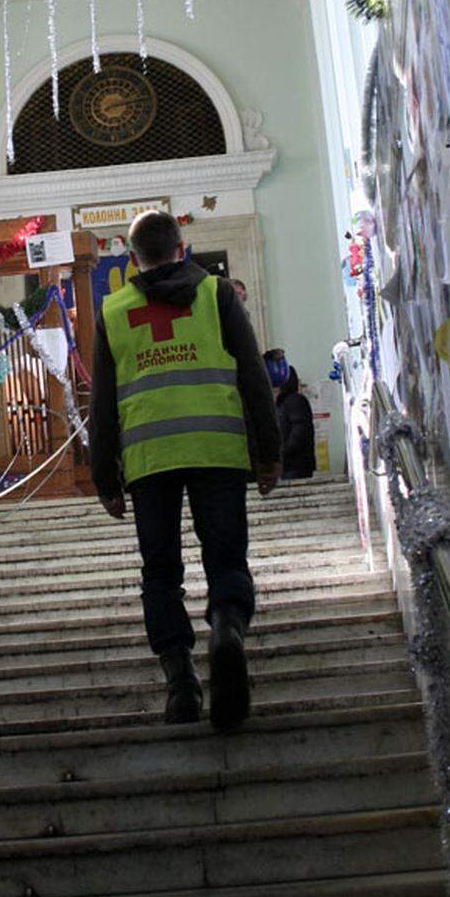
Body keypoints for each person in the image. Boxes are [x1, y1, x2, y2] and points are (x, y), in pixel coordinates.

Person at [88, 210, 282, 730]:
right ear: (183, 248)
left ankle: (180, 686)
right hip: (217, 447)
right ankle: (226, 630)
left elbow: (101, 404)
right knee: (226, 559)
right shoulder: (217, 295)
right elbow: (254, 377)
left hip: (150, 459)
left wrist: (104, 476)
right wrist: (268, 453)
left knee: (160, 574)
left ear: (132, 260)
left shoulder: (113, 309)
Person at [265, 349, 316, 482]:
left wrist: (282, 452)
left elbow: (300, 431)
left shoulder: (294, 401)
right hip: (288, 464)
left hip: (295, 464)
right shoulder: (282, 404)